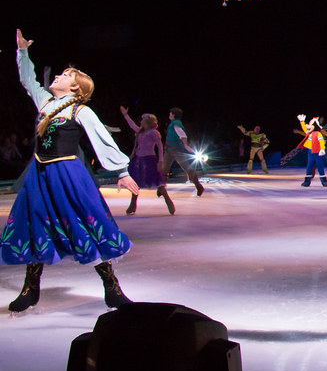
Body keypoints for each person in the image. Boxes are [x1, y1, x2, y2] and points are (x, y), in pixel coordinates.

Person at [4, 29, 139, 313]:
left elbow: (103, 140)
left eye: (65, 75)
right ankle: (30, 289)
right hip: (39, 176)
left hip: (67, 176)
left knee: (84, 225)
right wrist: (22, 52)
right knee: (35, 225)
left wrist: (121, 171)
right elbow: (28, 80)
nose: (58, 76)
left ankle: (111, 287)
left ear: (77, 87)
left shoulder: (80, 111)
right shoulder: (46, 104)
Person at [120, 107, 175, 215]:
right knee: (135, 182)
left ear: (147, 122)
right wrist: (125, 115)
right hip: (139, 160)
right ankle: (133, 205)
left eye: (142, 120)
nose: (140, 122)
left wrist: (160, 161)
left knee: (158, 182)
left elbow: (160, 147)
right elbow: (132, 125)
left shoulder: (153, 133)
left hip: (149, 159)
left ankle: (168, 201)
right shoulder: (140, 131)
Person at [165, 107, 204, 196]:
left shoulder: (176, 123)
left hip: (176, 149)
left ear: (173, 114)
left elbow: (183, 135)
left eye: (170, 113)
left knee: (186, 167)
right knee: (165, 169)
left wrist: (185, 145)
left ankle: (198, 186)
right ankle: (161, 188)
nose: (169, 115)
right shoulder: (174, 123)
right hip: (169, 149)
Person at [297, 115, 327, 187]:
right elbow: (304, 128)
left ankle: (324, 181)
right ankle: (307, 181)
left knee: (320, 166)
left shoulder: (318, 134)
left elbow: (321, 141)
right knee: (309, 166)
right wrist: (302, 121)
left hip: (318, 152)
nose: (308, 126)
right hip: (310, 151)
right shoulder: (310, 133)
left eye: (310, 125)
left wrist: (322, 149)